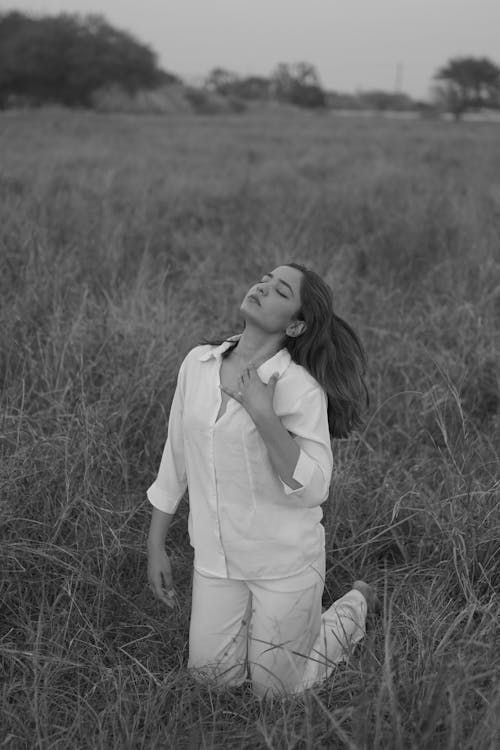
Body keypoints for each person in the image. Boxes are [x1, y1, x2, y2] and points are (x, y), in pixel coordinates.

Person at [147, 262, 376, 701]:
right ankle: (259, 628)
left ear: (296, 325)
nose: (262, 288)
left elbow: (315, 488)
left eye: (280, 290)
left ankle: (355, 605)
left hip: (284, 563)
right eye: (265, 280)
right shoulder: (197, 364)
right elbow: (175, 458)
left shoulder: (299, 387)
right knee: (211, 680)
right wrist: (156, 544)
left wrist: (262, 411)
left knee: (277, 694)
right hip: (218, 560)